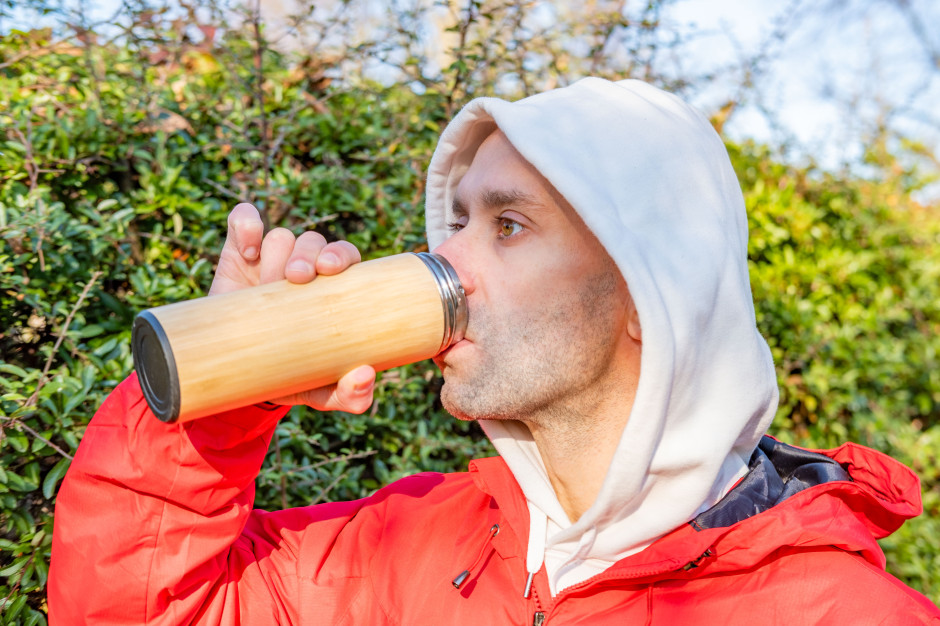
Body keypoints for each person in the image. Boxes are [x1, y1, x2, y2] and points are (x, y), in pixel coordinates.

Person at [48, 78, 939, 624]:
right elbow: (134, 610)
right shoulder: (399, 548)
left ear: (648, 296)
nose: (448, 260)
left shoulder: (842, 615)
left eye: (509, 226)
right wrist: (220, 391)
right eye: (459, 218)